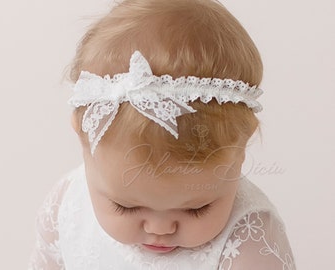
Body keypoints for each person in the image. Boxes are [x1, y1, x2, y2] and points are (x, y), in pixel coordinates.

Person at [28, 0, 296, 269]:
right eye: (125, 207)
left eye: (196, 209)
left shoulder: (250, 240)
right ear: (82, 136)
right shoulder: (67, 207)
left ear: (242, 147)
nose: (160, 228)